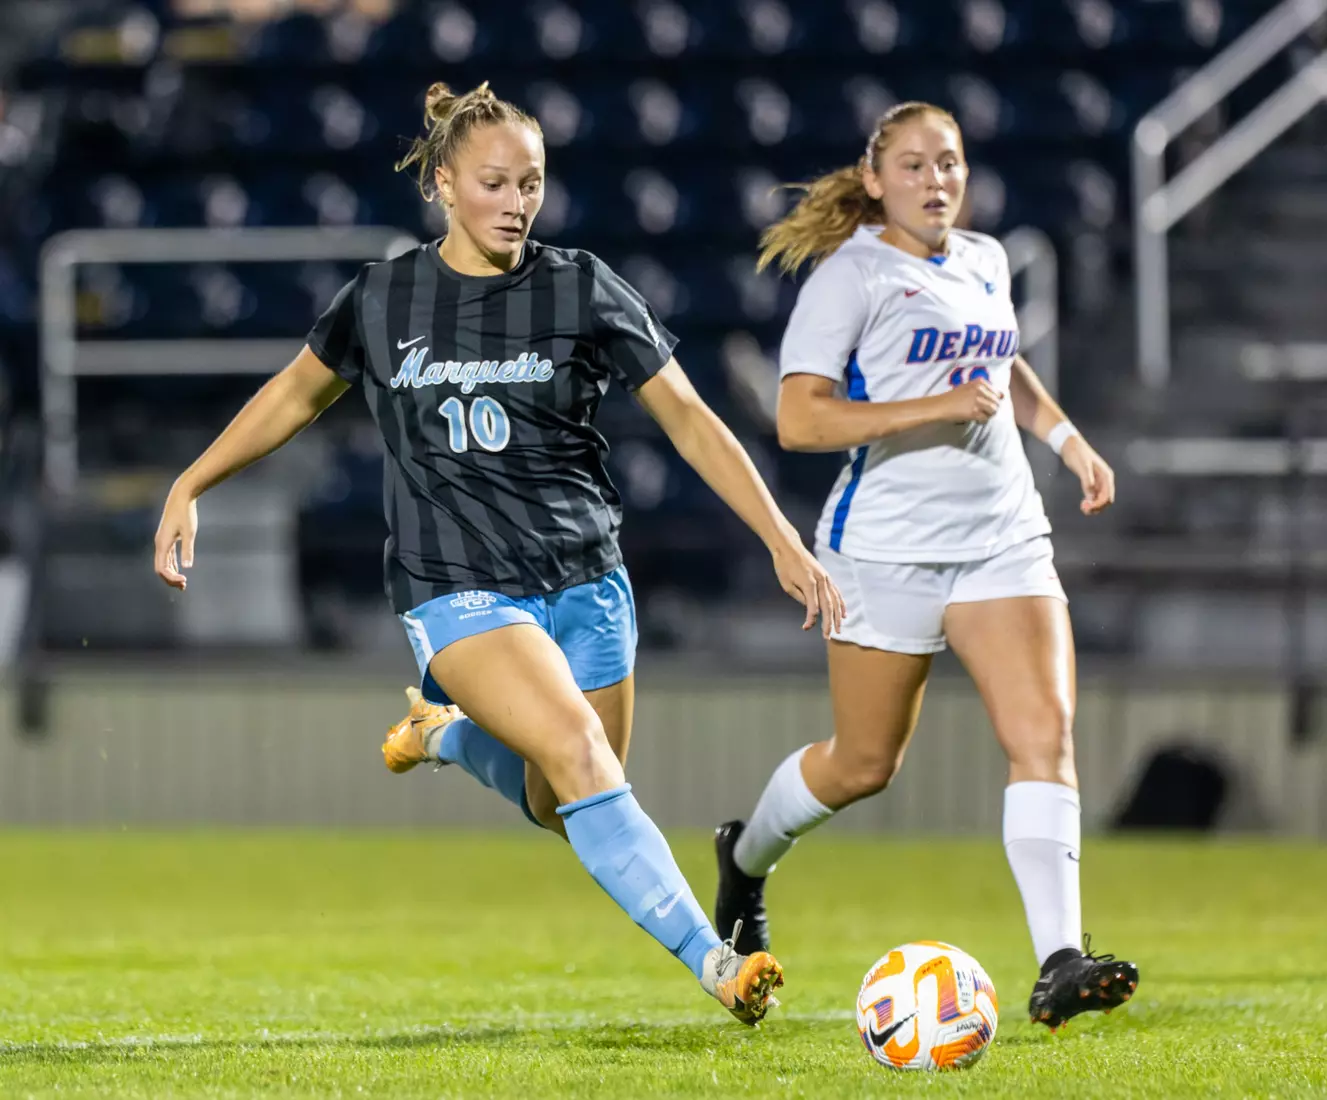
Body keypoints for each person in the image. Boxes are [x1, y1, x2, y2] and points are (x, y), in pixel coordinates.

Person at [154, 80, 847, 1026]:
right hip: (456, 589)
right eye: (495, 183)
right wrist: (189, 482)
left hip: (585, 577)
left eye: (532, 182)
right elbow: (291, 396)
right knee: (576, 749)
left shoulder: (580, 285)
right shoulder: (384, 295)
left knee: (558, 798)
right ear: (443, 183)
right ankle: (716, 961)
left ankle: (439, 735)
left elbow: (687, 416)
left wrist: (779, 536)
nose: (517, 202)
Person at [709, 101, 1139, 1032]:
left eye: (947, 163)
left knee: (1043, 737)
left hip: (1001, 537)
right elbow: (799, 420)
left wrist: (1065, 440)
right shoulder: (850, 276)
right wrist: (927, 409)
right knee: (863, 763)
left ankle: (1059, 959)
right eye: (912, 165)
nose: (935, 180)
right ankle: (744, 858)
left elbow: (1004, 365)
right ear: (874, 180)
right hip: (885, 548)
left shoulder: (984, 259)